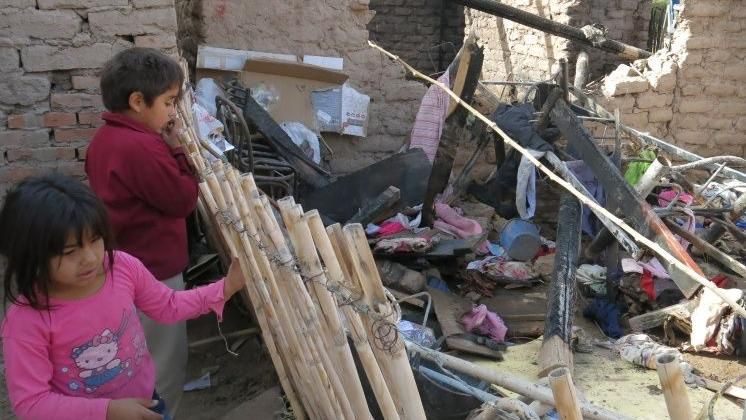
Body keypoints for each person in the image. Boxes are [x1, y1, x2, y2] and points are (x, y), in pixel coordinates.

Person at [0, 174, 245, 420]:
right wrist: (108, 411)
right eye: (70, 251)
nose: (90, 258)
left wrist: (226, 287)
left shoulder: (121, 267)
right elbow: (32, 404)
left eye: (95, 240)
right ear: (31, 255)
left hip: (147, 403)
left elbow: (169, 305)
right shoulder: (26, 321)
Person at [84, 47, 197, 416]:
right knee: (162, 364)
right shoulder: (143, 147)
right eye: (168, 102)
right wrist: (177, 150)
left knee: (132, 357)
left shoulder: (104, 140)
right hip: (155, 274)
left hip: (123, 266)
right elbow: (183, 199)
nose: (173, 112)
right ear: (137, 101)